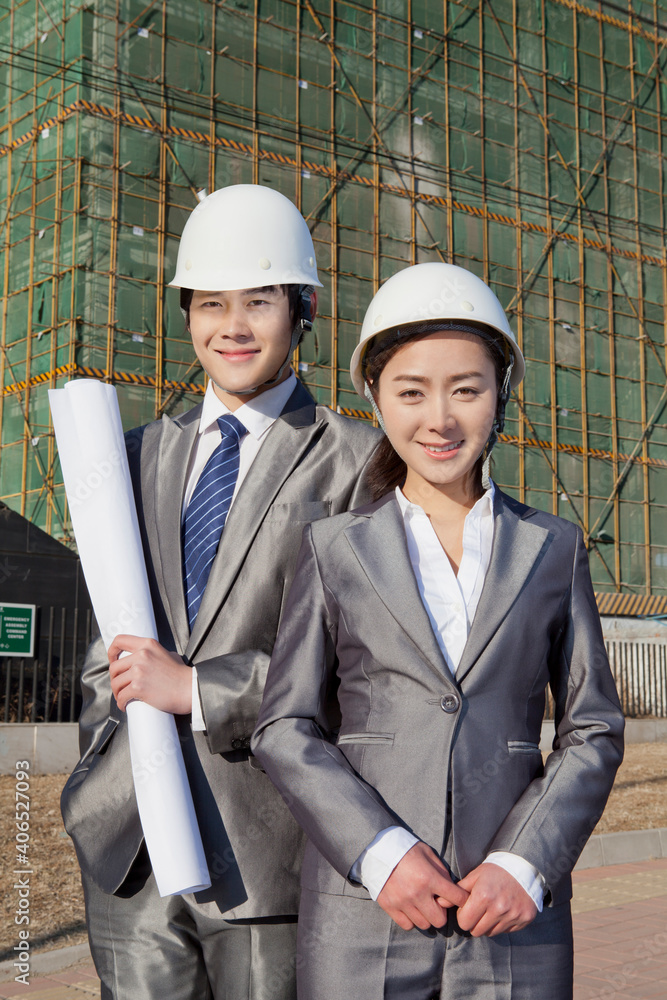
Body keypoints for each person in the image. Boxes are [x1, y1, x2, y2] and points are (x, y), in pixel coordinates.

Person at [252, 262, 624, 1000]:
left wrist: (524, 863)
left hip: (512, 916)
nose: (440, 419)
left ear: (500, 393)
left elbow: (592, 728)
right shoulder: (333, 548)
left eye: (467, 389)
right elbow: (285, 725)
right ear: (377, 399)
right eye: (411, 391)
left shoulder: (552, 547)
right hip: (364, 912)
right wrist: (380, 852)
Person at [60, 184, 381, 1000]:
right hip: (128, 855)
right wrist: (105, 751)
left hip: (269, 858)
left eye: (258, 301)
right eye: (209, 304)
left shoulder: (357, 463)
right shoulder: (132, 456)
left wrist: (198, 690)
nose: (231, 326)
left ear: (303, 306)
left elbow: (369, 664)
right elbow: (107, 634)